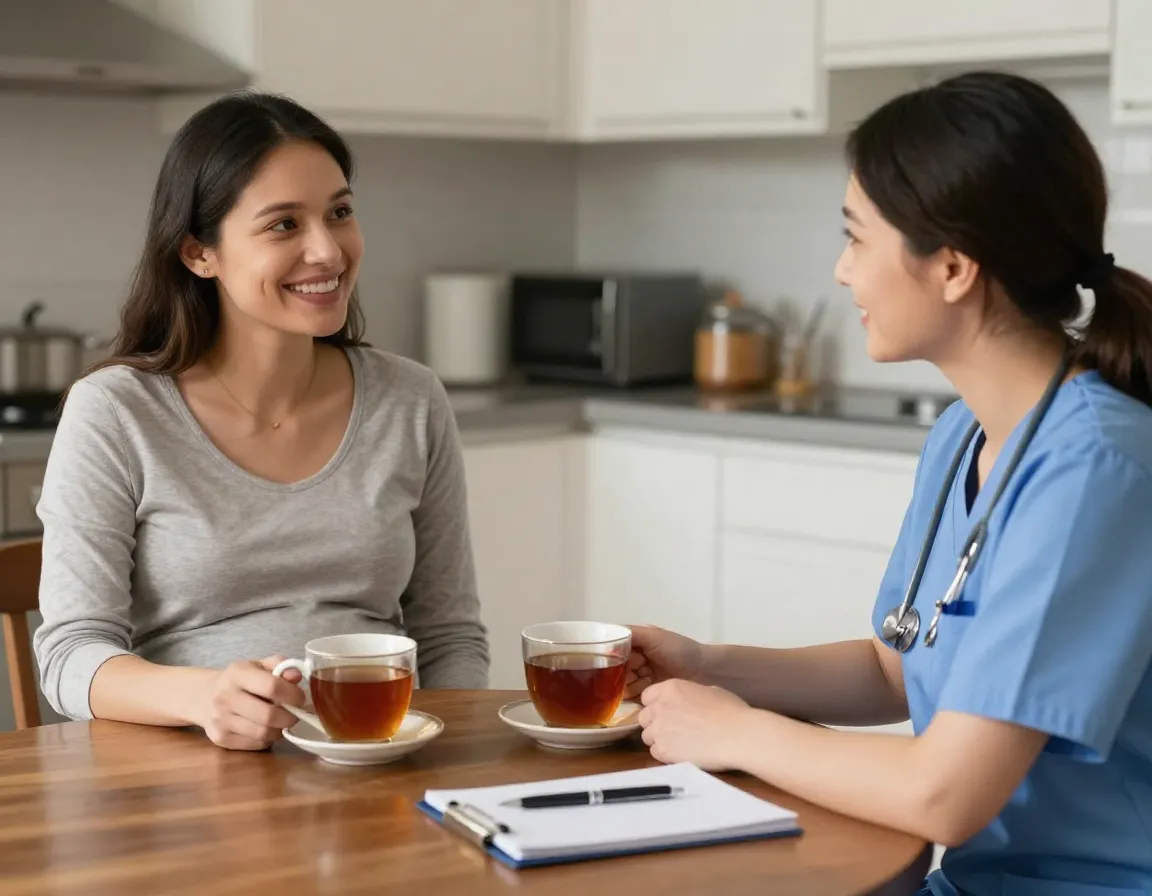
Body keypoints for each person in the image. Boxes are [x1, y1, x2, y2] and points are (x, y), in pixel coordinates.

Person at [626, 71, 1152, 895]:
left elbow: (945, 796)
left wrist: (739, 732)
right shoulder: (962, 437)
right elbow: (896, 670)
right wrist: (710, 665)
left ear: (951, 267)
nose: (841, 272)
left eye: (857, 238)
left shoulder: (1099, 469)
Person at [33, 92, 490, 752]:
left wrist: (447, 758)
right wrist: (202, 697)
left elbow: (450, 636)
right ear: (198, 254)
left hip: (381, 773)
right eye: (283, 225)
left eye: (340, 212)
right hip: (185, 774)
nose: (328, 251)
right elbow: (71, 655)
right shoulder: (116, 412)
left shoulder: (411, 401)